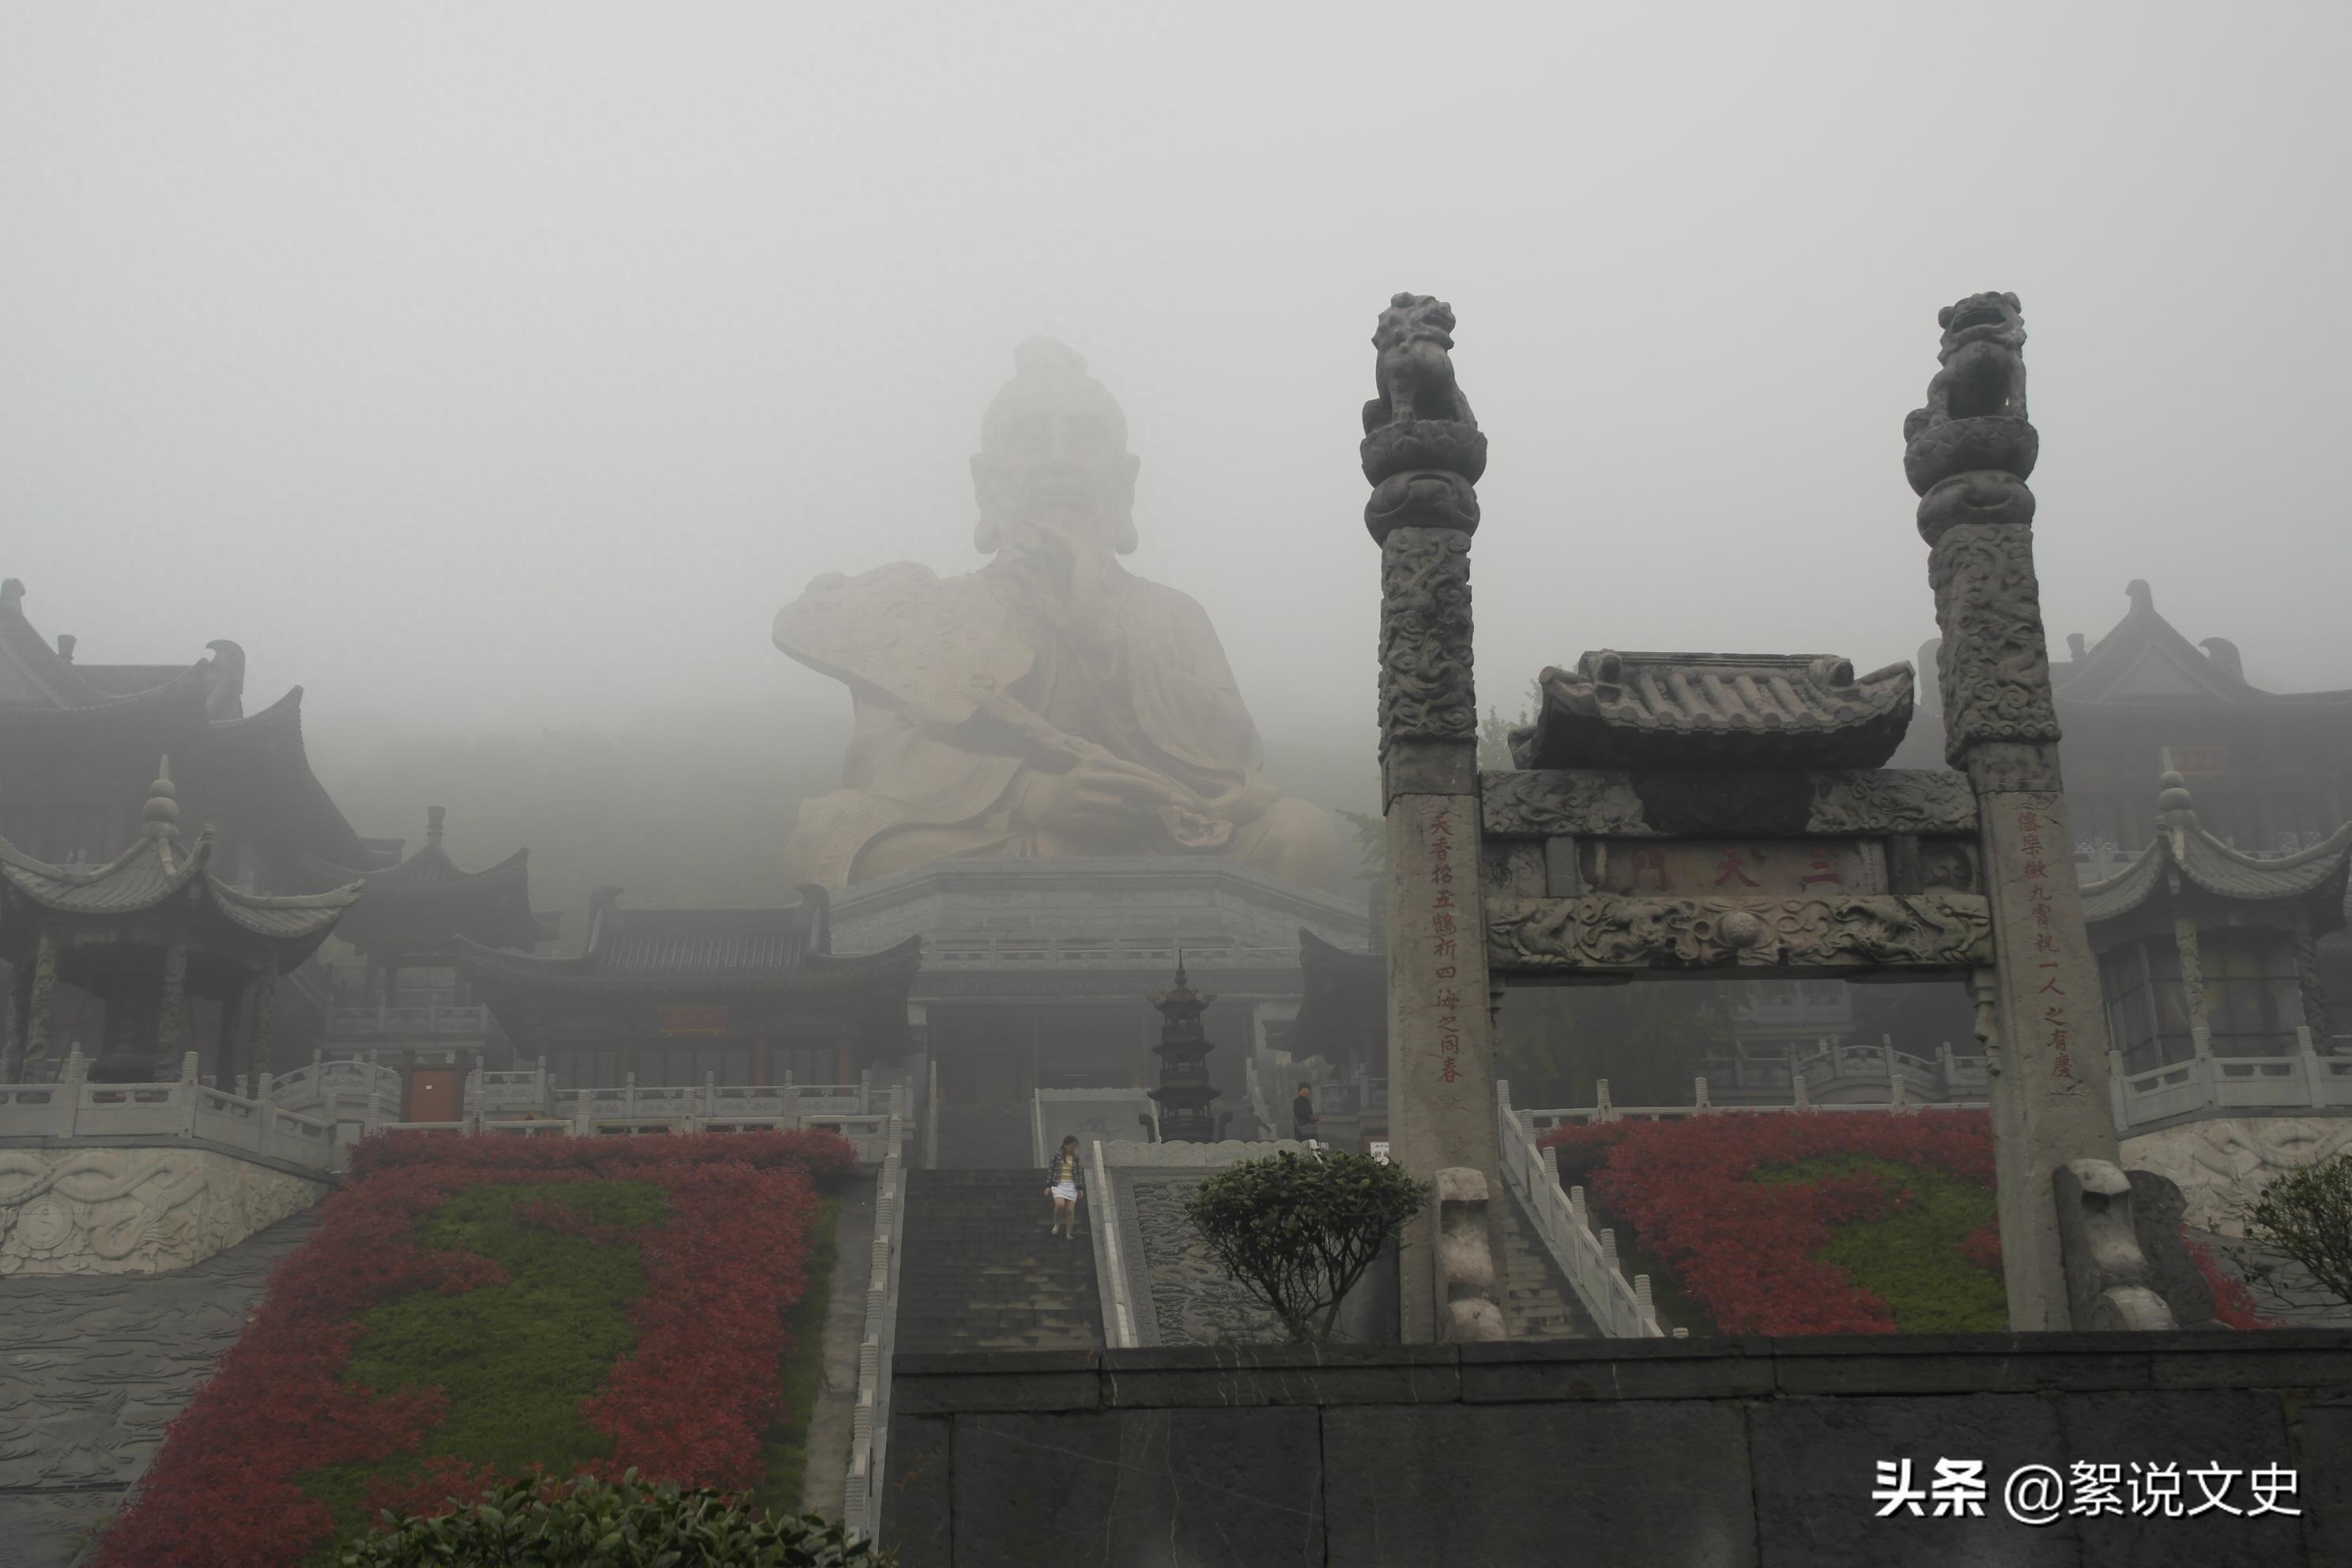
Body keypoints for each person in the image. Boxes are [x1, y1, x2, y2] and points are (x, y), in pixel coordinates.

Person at [1046, 1134, 1083, 1238]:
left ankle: (1068, 1233)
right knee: (1060, 1205)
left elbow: (1079, 1173)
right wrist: (1048, 1186)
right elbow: (1051, 1171)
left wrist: (1080, 1188)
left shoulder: (1076, 1158)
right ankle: (1057, 1224)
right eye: (1071, 1146)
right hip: (1058, 1184)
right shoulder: (1056, 1156)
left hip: (1072, 1186)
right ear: (1065, 1145)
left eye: (1075, 1147)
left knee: (1070, 1210)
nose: (1073, 1148)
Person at [1291, 1082, 1319, 1146]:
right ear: (1299, 1091)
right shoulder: (1297, 1101)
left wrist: (1313, 1118)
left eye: (1307, 1090)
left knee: (1312, 1145)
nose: (1306, 1092)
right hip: (1301, 1128)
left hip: (1309, 1128)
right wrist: (1310, 1118)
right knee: (1303, 1146)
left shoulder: (1307, 1101)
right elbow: (1299, 1112)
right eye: (1304, 1090)